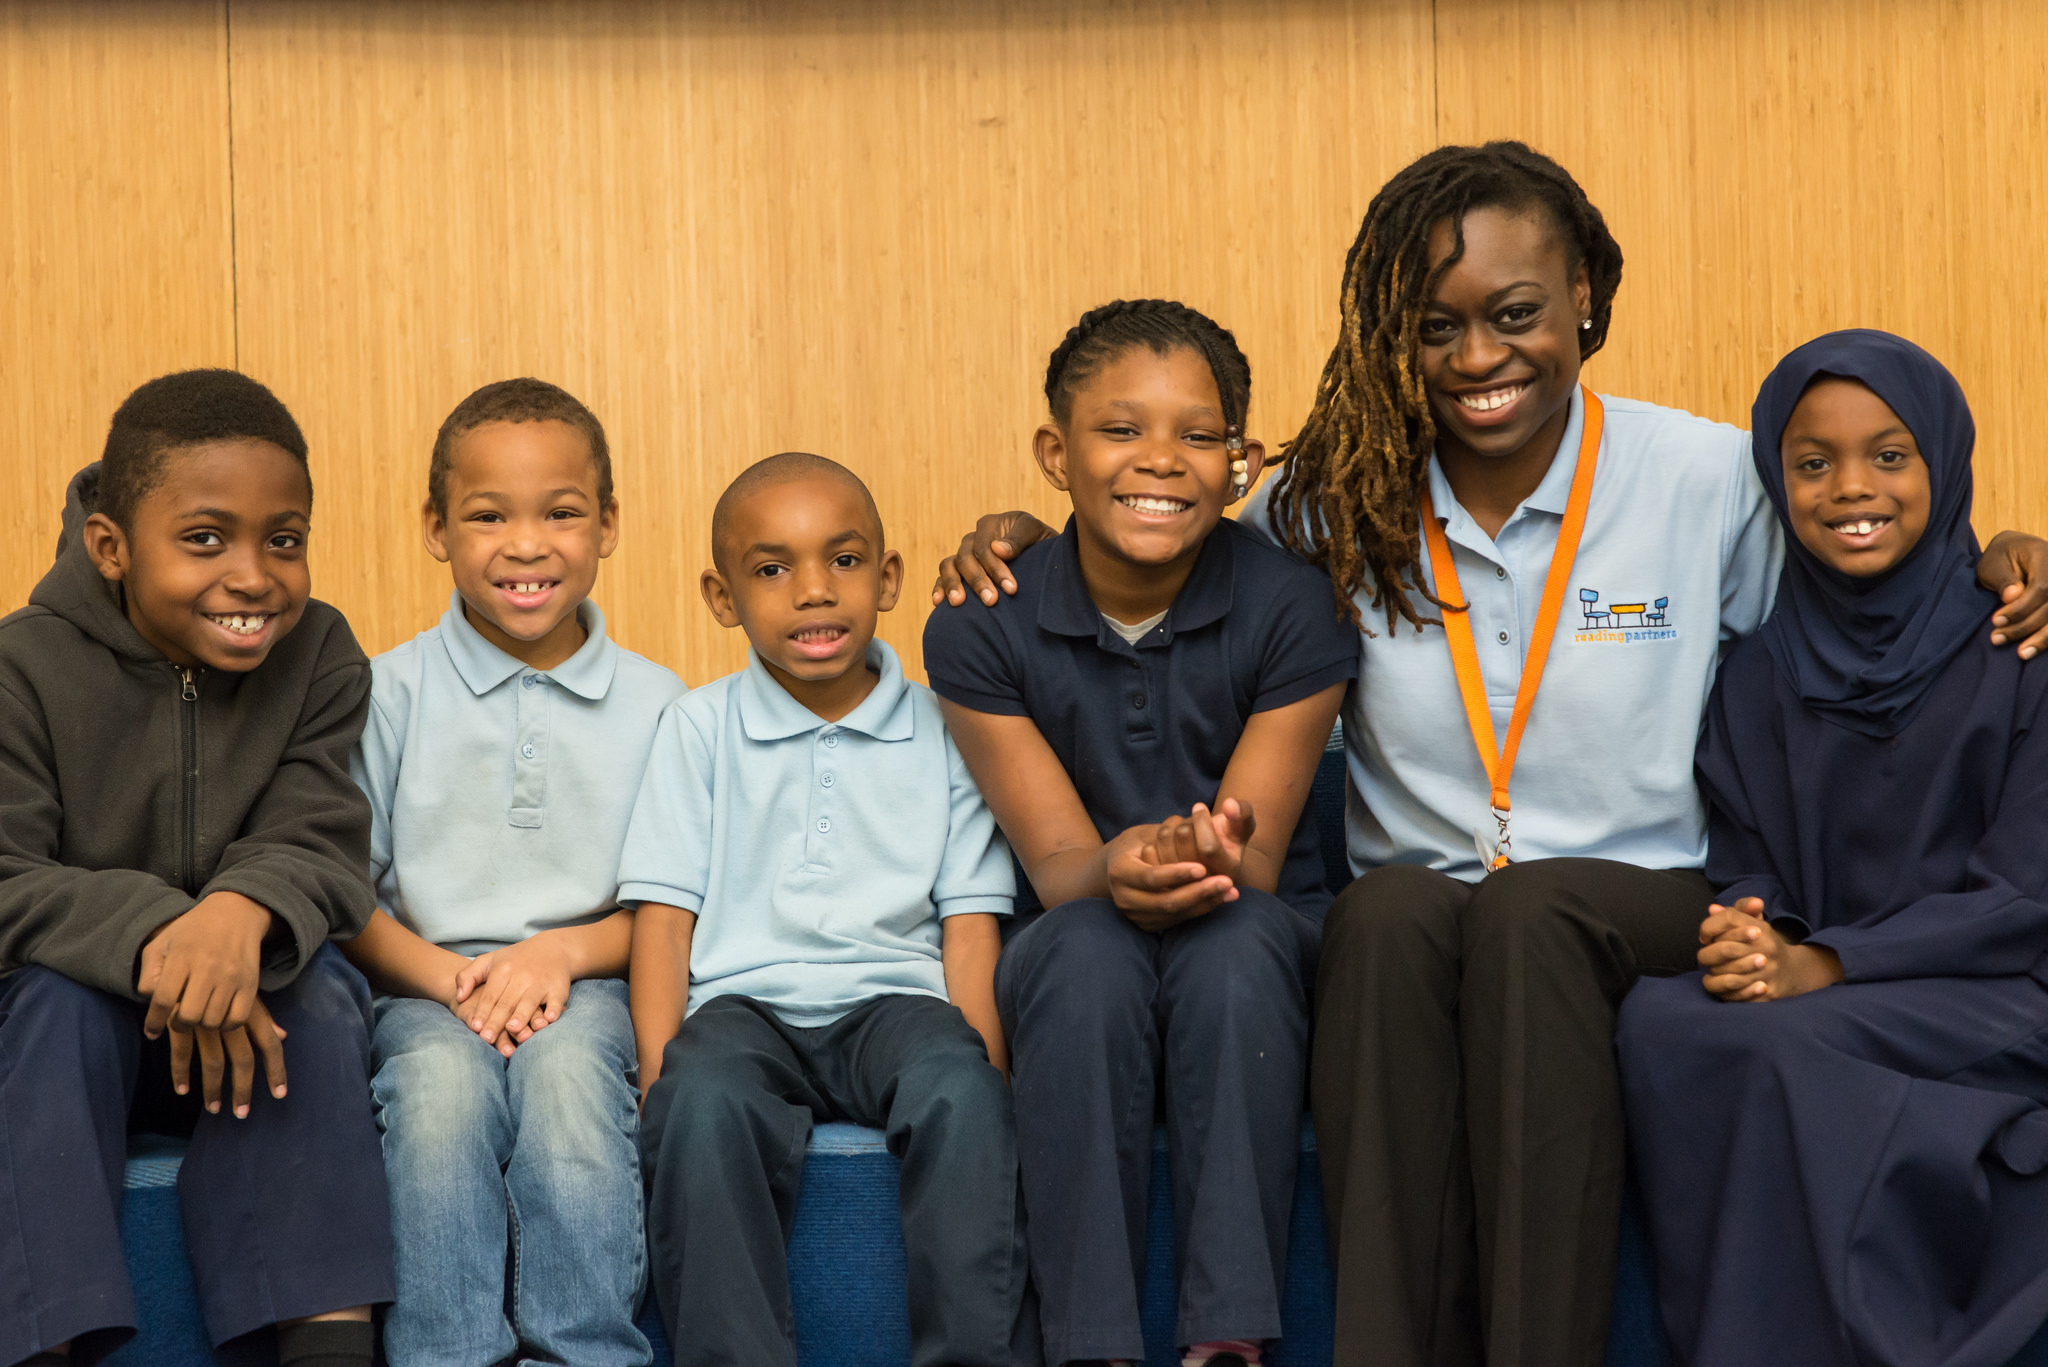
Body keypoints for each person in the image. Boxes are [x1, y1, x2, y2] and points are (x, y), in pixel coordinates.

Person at [928, 143, 2048, 1367]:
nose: (1475, 359)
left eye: (1513, 314)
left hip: (1647, 896)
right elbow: (1160, 518)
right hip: (1417, 907)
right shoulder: (1332, 492)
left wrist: (2004, 551)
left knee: (1533, 913)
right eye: (1433, 325)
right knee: (1387, 913)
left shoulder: (1705, 477)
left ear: (1582, 298)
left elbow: (1870, 553)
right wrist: (1019, 536)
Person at [923, 300, 1357, 1367]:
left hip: (1249, 923)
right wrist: (1116, 864)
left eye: (1197, 435)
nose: (1158, 460)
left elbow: (1251, 858)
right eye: (1119, 430)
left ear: (1241, 460)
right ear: (1053, 452)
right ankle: (1092, 1346)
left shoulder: (1295, 606)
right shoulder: (980, 622)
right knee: (1080, 951)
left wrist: (1198, 853)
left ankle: (1227, 1339)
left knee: (1233, 942)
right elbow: (1061, 861)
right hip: (1076, 927)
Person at [1617, 330, 2048, 1367]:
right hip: (1827, 970)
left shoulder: (2022, 643)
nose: (1850, 487)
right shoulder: (1761, 667)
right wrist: (1752, 933)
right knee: (1659, 1015)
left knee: (1785, 1043)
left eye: (1888, 455)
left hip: (1996, 981)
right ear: (1777, 477)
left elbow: (2020, 896)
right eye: (1811, 463)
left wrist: (1826, 965)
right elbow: (1746, 848)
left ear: (1940, 462)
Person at [0, 370, 392, 1367]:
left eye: (285, 538)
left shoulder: (322, 652)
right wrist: (162, 932)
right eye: (206, 538)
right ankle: (44, 1340)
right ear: (111, 547)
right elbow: (8, 871)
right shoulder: (23, 668)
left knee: (317, 995)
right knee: (48, 1004)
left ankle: (324, 1340)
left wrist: (241, 910)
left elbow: (325, 833)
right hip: (81, 1021)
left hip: (251, 1006)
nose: (255, 574)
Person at [622, 452, 1029, 1367]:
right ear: (722, 597)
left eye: (843, 561)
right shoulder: (698, 726)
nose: (813, 591)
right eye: (772, 569)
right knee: (702, 1101)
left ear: (886, 580)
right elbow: (664, 920)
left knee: (962, 1092)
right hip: (743, 1008)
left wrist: (986, 1074)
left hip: (898, 1004)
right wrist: (660, 1082)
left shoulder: (948, 725)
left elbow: (969, 925)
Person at [342, 379, 679, 1367]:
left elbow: (664, 905)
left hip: (588, 980)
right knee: (438, 1096)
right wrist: (450, 979)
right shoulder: (386, 690)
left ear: (607, 524)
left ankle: (584, 1350)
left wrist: (561, 953)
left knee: (572, 1079)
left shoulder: (660, 702)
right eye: (488, 515)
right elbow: (340, 894)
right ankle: (446, 1352)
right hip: (422, 981)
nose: (524, 544)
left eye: (560, 513)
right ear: (435, 527)